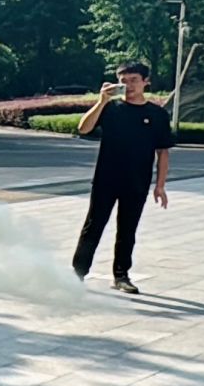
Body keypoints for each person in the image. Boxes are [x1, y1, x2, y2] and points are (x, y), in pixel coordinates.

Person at [73, 61, 173, 294]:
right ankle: (78, 273)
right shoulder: (111, 108)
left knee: (127, 229)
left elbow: (163, 152)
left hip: (137, 181)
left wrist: (160, 186)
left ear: (146, 82)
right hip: (106, 179)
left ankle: (121, 275)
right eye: (124, 81)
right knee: (93, 226)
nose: (129, 85)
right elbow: (83, 128)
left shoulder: (157, 114)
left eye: (134, 80)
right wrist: (101, 101)